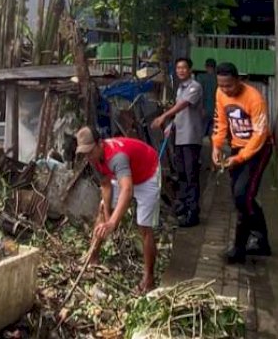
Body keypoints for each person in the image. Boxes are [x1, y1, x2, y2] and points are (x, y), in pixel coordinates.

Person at [75, 127, 160, 292]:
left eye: (90, 152)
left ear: (100, 144)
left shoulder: (117, 157)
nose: (88, 157)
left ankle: (149, 279)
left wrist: (113, 222)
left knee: (144, 226)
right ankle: (92, 257)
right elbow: (106, 185)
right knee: (101, 210)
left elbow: (127, 190)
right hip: (121, 176)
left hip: (147, 173)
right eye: (85, 153)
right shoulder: (93, 159)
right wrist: (107, 215)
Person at [211, 62, 273, 264]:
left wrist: (239, 158)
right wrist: (217, 147)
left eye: (229, 85)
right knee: (242, 197)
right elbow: (220, 123)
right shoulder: (220, 94)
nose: (226, 90)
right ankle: (260, 240)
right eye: (221, 86)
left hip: (258, 150)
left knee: (242, 196)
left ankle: (239, 248)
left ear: (238, 80)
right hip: (237, 149)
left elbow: (260, 134)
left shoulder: (254, 98)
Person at [151, 58, 203, 227]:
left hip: (191, 138)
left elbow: (182, 106)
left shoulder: (194, 87)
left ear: (190, 69)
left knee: (191, 175)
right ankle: (182, 207)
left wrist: (164, 117)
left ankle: (193, 212)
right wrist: (171, 125)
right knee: (181, 173)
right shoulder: (180, 88)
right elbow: (179, 112)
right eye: (178, 68)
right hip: (179, 137)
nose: (181, 71)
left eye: (184, 68)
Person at [197, 58, 217, 138]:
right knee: (213, 136)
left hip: (203, 110)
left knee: (199, 135)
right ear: (215, 67)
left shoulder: (201, 78)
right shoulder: (218, 79)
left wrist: (201, 108)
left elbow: (199, 94)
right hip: (216, 112)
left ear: (205, 66)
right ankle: (214, 150)